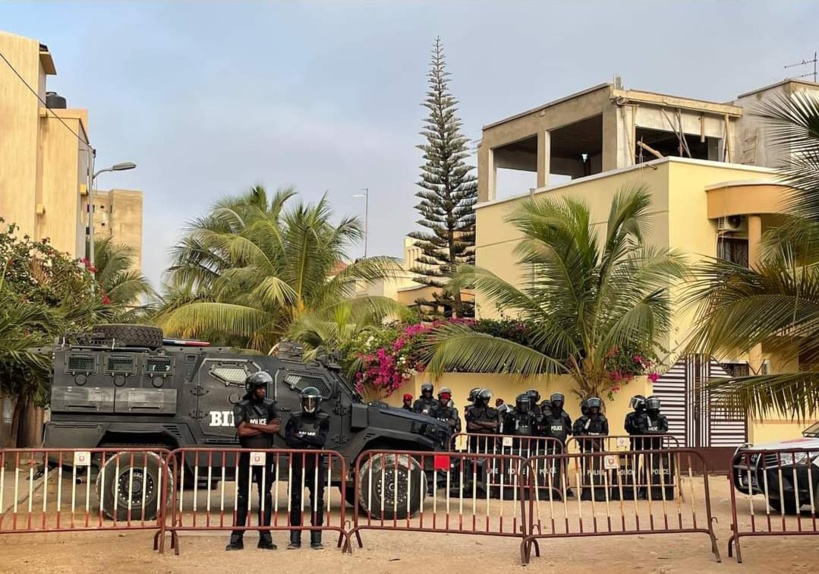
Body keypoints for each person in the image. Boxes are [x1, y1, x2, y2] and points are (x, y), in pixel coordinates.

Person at [226, 372, 281, 551]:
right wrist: (265, 429)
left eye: (264, 387)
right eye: (259, 387)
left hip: (266, 455)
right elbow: (241, 431)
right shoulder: (241, 405)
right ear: (252, 388)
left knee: (266, 495)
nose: (263, 390)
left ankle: (265, 537)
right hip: (247, 454)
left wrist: (253, 425)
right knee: (243, 495)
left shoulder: (271, 404)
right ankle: (237, 537)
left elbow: (276, 427)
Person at [284, 386, 330, 550]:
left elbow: (322, 440)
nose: (309, 404)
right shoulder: (294, 418)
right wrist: (310, 441)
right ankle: (295, 538)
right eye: (306, 401)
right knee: (295, 500)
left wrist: (302, 436)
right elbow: (289, 440)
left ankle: (316, 539)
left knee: (317, 501)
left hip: (316, 464)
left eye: (312, 401)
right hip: (297, 464)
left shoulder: (323, 419)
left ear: (318, 402)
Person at [573, 397, 609, 501]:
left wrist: (597, 440)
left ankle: (600, 494)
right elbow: (580, 433)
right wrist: (591, 441)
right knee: (587, 471)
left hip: (599, 449)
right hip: (586, 449)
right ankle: (587, 493)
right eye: (592, 407)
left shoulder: (602, 419)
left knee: (599, 471)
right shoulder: (582, 420)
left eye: (596, 407)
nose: (594, 409)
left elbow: (605, 433)